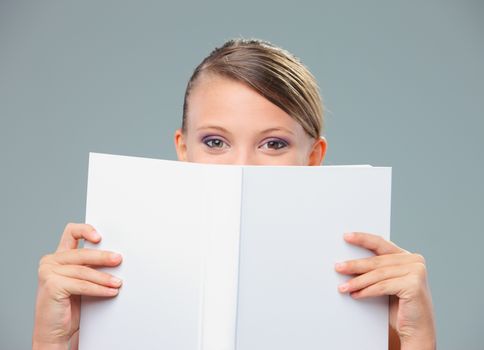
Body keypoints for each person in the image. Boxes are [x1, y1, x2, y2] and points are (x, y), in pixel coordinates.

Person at [32, 38, 436, 350]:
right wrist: (49, 341)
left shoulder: (368, 312)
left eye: (273, 144)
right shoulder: (113, 276)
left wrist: (418, 338)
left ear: (314, 158)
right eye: (215, 142)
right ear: (183, 149)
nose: (242, 166)